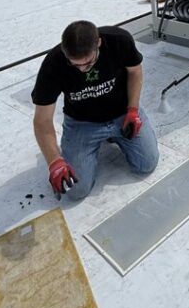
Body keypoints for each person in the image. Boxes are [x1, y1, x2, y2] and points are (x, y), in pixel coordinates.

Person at [31, 20, 159, 200]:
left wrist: (133, 110)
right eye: (75, 65)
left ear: (98, 43)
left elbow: (135, 72)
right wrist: (54, 162)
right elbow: (42, 120)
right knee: (76, 191)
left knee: (146, 164)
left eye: (88, 63)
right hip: (83, 122)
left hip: (122, 113)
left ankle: (115, 134)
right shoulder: (54, 64)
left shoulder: (119, 41)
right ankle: (92, 144)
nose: (83, 69)